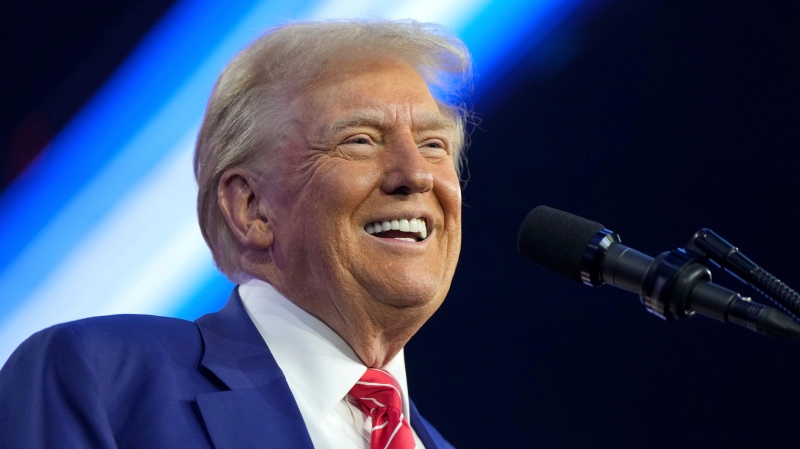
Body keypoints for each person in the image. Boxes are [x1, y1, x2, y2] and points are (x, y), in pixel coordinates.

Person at [0, 19, 471, 449]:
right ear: (252, 209)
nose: (416, 174)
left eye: (434, 146)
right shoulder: (102, 381)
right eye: (360, 140)